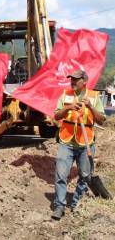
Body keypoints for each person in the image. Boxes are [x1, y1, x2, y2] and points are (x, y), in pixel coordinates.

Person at [51, 69, 105, 220]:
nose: (72, 82)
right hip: (66, 141)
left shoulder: (94, 97)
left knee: (85, 176)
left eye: (76, 79)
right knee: (61, 175)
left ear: (84, 81)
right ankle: (59, 206)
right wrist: (68, 108)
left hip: (85, 143)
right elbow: (56, 115)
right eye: (71, 79)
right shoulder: (66, 94)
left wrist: (91, 108)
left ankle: (75, 204)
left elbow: (101, 120)